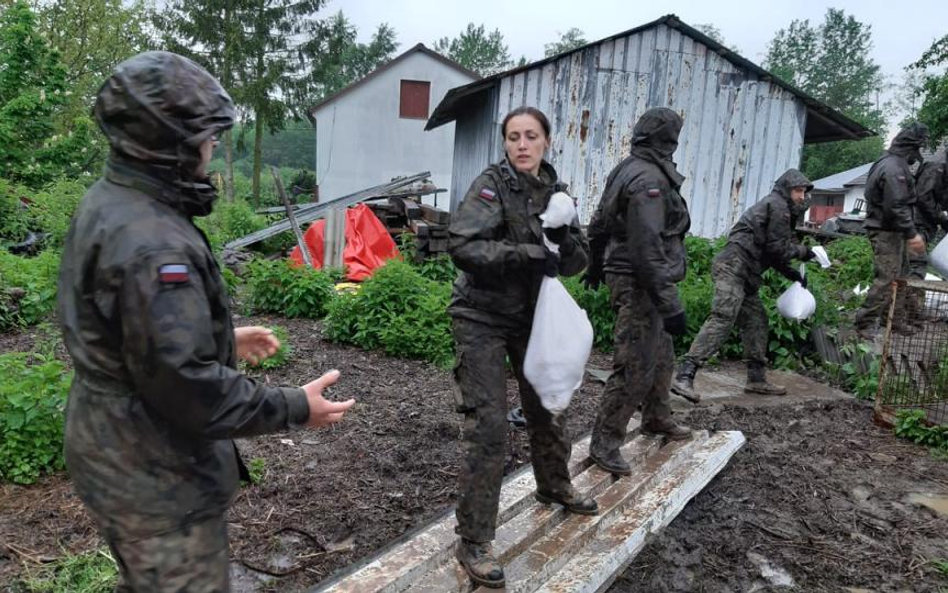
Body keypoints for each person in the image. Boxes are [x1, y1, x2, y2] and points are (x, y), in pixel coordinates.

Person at [57, 51, 355, 592]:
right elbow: (187, 387)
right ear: (166, 142)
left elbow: (128, 334)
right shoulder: (152, 243)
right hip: (154, 475)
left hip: (118, 451)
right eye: (204, 134)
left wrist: (220, 338)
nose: (213, 146)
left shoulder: (113, 202)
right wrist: (294, 405)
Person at [447, 106, 598, 588]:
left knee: (548, 406)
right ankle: (473, 540)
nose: (522, 145)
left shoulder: (557, 193)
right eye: (513, 137)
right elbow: (463, 245)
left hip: (532, 317)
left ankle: (554, 487)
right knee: (489, 425)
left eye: (531, 136)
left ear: (546, 141)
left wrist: (562, 240)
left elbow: (576, 261)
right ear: (506, 144)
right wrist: (529, 254)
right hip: (482, 316)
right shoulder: (492, 185)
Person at [584, 107, 693, 476]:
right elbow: (648, 248)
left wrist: (596, 261)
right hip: (641, 280)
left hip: (634, 274)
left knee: (661, 355)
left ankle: (657, 416)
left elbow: (599, 219)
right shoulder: (648, 179)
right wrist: (670, 302)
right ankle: (605, 442)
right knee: (634, 363)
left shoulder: (628, 167)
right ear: (668, 140)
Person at [671, 169, 817, 403]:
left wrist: (794, 275)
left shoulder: (780, 208)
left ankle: (757, 379)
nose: (802, 196)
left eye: (804, 191)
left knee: (756, 320)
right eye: (798, 190)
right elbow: (777, 249)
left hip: (744, 272)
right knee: (723, 317)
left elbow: (772, 252)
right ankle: (684, 375)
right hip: (734, 268)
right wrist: (805, 253)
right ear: (787, 189)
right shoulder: (778, 206)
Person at [853, 122, 930, 337]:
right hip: (887, 231)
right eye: (918, 148)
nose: (919, 154)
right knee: (887, 278)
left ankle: (893, 320)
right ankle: (864, 323)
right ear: (911, 147)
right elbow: (895, 205)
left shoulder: (891, 163)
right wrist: (912, 233)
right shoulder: (894, 167)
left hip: (893, 230)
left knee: (901, 276)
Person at [909, 150, 948, 284]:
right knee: (916, 265)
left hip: (925, 224)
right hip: (917, 223)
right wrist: (942, 217)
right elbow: (923, 197)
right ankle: (908, 302)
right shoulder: (936, 166)